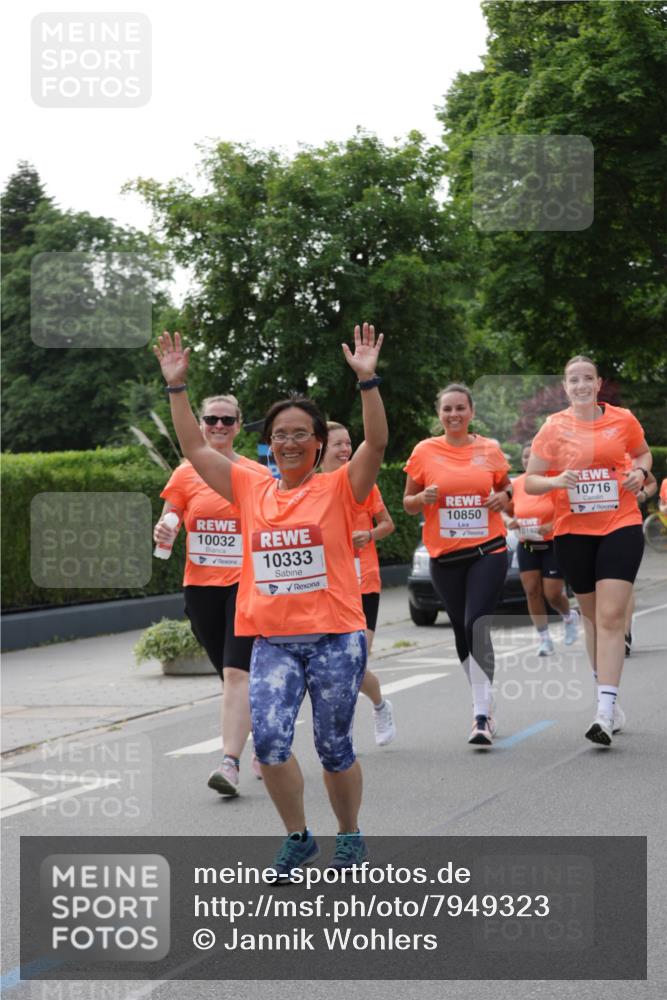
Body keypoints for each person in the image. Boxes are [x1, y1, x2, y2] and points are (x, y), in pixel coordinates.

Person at [154, 324, 387, 877]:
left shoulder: (338, 487)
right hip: (274, 642)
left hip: (334, 637)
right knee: (273, 746)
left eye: (300, 434)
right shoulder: (249, 486)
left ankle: (350, 835)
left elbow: (375, 444)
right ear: (269, 441)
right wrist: (177, 389)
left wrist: (368, 380)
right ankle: (298, 837)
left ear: (315, 442)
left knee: (334, 748)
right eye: (280, 434)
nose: (288, 442)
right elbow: (192, 448)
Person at [525, 355, 652, 746]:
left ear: (599, 384)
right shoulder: (552, 428)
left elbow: (644, 454)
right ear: (565, 387)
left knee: (612, 616)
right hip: (573, 531)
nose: (580, 385)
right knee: (594, 618)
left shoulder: (622, 420)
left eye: (587, 379)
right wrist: (557, 481)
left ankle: (603, 711)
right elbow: (530, 482)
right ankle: (607, 697)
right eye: (572, 380)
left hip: (621, 524)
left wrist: (640, 472)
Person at [154, 394, 270, 797]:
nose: (218, 426)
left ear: (238, 425)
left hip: (246, 585)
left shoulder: (256, 473)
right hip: (200, 586)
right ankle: (265, 739)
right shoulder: (186, 472)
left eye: (227, 420)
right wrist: (166, 527)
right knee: (231, 676)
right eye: (211, 419)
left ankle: (229, 763)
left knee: (237, 673)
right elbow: (172, 513)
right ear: (201, 424)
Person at [403, 383, 512, 747]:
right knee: (460, 632)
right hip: (445, 557)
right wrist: (421, 496)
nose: (454, 415)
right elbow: (408, 503)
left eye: (460, 408)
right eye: (447, 409)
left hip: (488, 550)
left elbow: (509, 492)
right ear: (439, 414)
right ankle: (484, 697)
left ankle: (481, 714)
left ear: (471, 412)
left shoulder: (490, 450)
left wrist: (503, 497)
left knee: (474, 623)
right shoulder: (424, 451)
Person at [321, 421, 396, 746]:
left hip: (363, 582)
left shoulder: (362, 482)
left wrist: (369, 534)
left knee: (355, 662)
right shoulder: (309, 486)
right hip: (327, 586)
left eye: (348, 443)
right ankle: (345, 731)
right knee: (335, 667)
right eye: (337, 444)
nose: (345, 450)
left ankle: (379, 705)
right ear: (320, 448)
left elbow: (388, 525)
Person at [505, 442, 579, 655]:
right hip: (527, 543)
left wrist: (552, 524)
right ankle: (544, 639)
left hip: (552, 543)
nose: (528, 460)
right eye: (525, 457)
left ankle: (568, 617)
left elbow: (568, 509)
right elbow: (505, 511)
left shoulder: (552, 481)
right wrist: (510, 521)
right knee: (531, 591)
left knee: (553, 593)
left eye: (532, 456)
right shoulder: (517, 484)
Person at [623, 466, 657, 655]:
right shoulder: (579, 455)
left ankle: (624, 634)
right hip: (589, 532)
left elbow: (651, 483)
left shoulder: (629, 458)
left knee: (624, 583)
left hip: (625, 526)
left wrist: (642, 495)